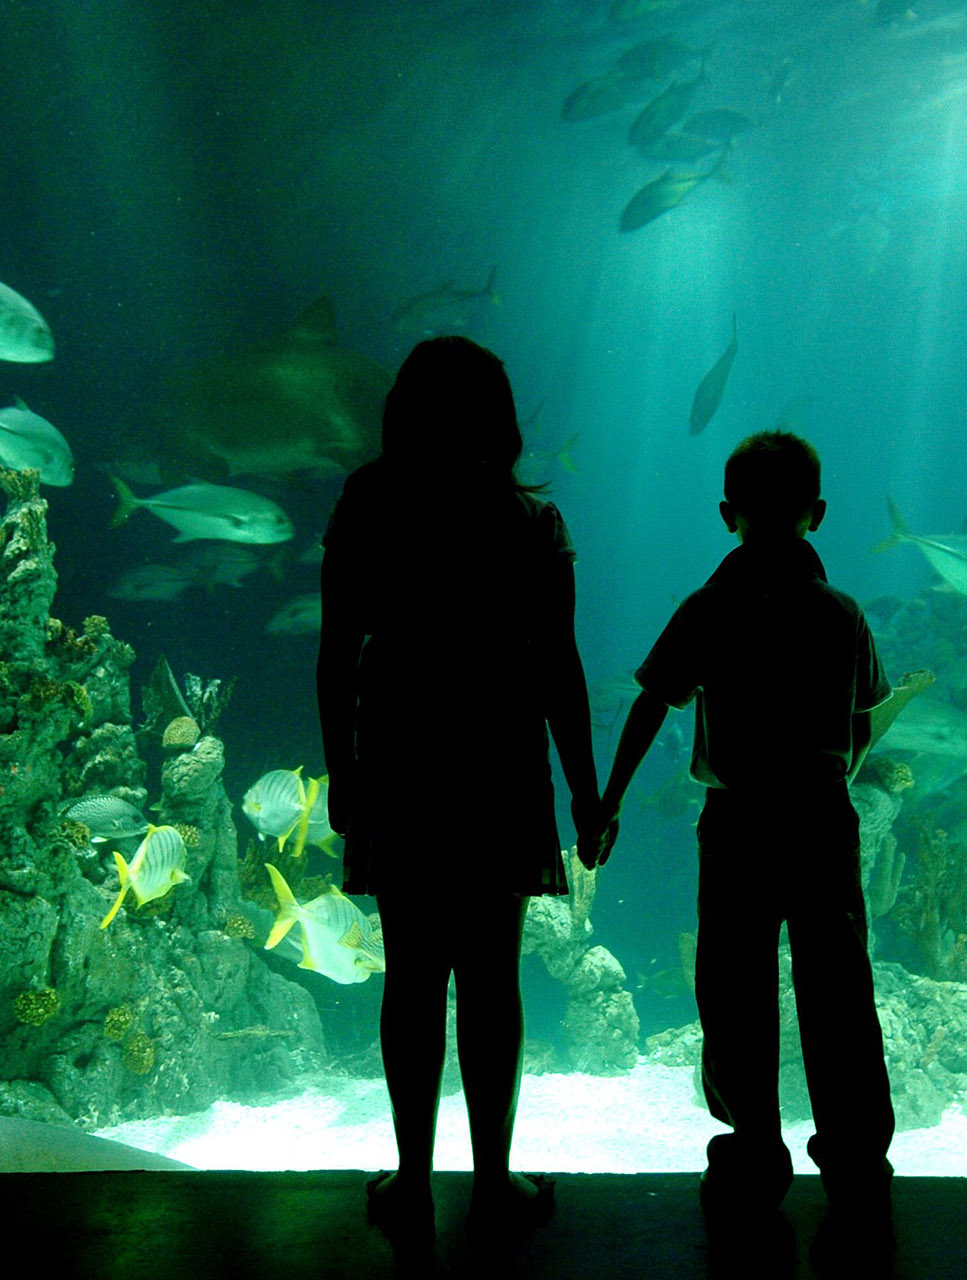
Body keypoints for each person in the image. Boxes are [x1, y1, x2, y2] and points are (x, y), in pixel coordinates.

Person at [586, 430, 926, 1218]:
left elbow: (649, 702)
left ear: (726, 514)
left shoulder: (708, 608)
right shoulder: (842, 614)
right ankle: (855, 1151)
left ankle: (753, 1142)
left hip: (737, 822)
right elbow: (862, 721)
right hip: (820, 818)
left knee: (734, 985)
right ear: (819, 513)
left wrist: (608, 802)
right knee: (838, 985)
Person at [317, 336, 602, 1232]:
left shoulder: (369, 501)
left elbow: (336, 653)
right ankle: (490, 1180)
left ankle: (410, 1179)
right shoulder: (528, 521)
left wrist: (338, 768)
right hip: (498, 765)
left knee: (410, 975)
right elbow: (561, 669)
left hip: (398, 758)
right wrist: (588, 790)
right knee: (490, 977)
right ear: (499, 417)